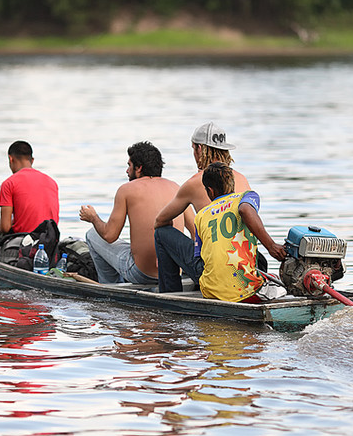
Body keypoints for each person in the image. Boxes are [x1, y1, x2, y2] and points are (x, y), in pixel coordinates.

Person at [152, 122, 252, 292]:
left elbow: (160, 220)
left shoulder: (195, 182)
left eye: (193, 149)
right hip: (242, 268)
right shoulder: (243, 179)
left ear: (199, 149)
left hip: (210, 271)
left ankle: (170, 295)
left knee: (162, 234)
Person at [79, 141, 192, 284]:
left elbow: (109, 235)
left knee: (92, 234)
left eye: (129, 165)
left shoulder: (126, 189)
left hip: (141, 273)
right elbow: (196, 232)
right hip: (173, 271)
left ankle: (109, 287)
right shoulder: (177, 188)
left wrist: (93, 218)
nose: (127, 171)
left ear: (139, 168)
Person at [193, 162, 286, 302]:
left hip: (210, 292)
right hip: (245, 291)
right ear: (232, 183)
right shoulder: (246, 197)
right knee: (280, 283)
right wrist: (271, 246)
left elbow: (200, 258)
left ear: (210, 191)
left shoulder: (201, 215)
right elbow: (245, 210)